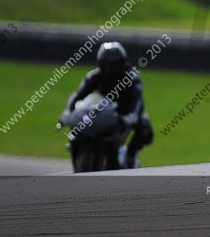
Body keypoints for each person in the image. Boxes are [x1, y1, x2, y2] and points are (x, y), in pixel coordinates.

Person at [60, 41, 153, 169]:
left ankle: (130, 156)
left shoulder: (132, 79)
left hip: (126, 112)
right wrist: (67, 111)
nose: (110, 68)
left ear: (122, 62)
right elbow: (77, 95)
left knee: (145, 130)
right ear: (101, 63)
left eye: (115, 64)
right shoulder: (94, 76)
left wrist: (131, 116)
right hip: (105, 112)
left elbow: (137, 102)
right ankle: (78, 150)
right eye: (106, 64)